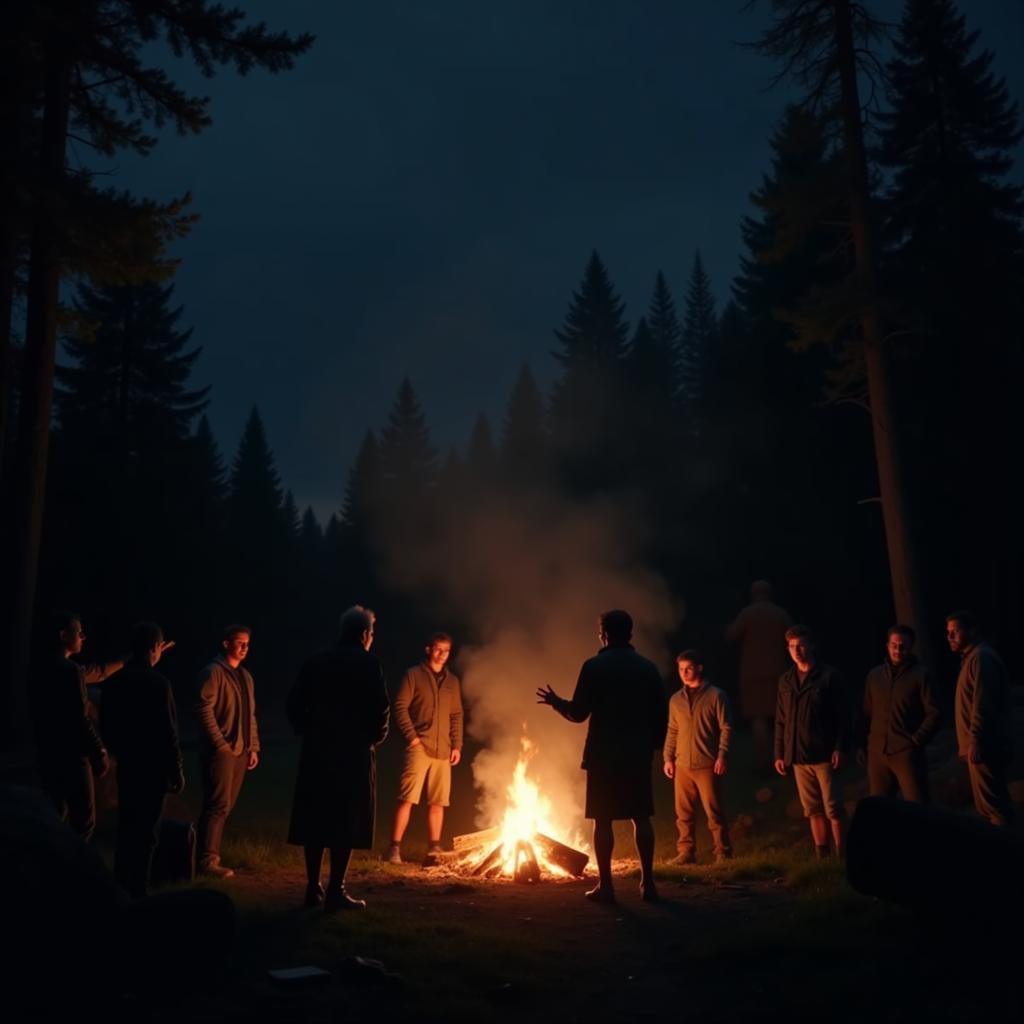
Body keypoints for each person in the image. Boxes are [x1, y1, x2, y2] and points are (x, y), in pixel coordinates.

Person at [537, 609, 668, 904]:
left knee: (603, 819)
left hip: (603, 754)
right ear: (630, 634)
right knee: (641, 816)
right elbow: (661, 714)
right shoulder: (647, 668)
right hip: (636, 753)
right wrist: (653, 746)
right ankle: (648, 884)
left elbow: (579, 713)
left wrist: (556, 702)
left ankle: (606, 887)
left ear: (604, 635)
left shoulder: (594, 666)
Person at [286, 606, 390, 911]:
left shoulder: (316, 661)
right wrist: (372, 738)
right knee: (346, 820)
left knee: (316, 817)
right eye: (371, 634)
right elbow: (381, 708)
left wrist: (306, 729)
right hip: (353, 754)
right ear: (363, 634)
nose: (372, 639)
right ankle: (335, 889)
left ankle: (312, 887)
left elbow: (294, 702)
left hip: (318, 752)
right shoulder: (370, 664)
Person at [100, 622, 183, 897]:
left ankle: (120, 885)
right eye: (159, 648)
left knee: (127, 828)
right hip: (153, 769)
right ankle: (138, 889)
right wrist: (177, 770)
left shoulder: (116, 682)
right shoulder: (158, 684)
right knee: (147, 833)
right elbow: (168, 731)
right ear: (155, 648)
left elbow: (107, 726)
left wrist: (120, 751)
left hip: (129, 766)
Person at [32, 610, 125, 840]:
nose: (83, 637)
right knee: (83, 820)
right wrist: (99, 751)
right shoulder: (69, 670)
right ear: (63, 635)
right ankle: (73, 869)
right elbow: (79, 717)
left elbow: (98, 672)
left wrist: (128, 661)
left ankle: (50, 865)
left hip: (47, 751)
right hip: (73, 755)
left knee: (55, 812)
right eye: (79, 632)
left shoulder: (43, 667)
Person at [387, 632, 463, 866]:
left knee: (438, 802)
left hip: (443, 749)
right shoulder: (413, 675)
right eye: (438, 649)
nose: (442, 654)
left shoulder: (452, 681)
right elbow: (399, 707)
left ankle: (434, 848)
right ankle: (394, 848)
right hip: (420, 746)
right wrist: (412, 738)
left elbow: (457, 714)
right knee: (407, 798)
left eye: (446, 650)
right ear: (428, 649)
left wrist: (457, 744)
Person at [774, 624, 848, 858]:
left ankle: (842, 855)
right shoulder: (786, 681)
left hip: (824, 753)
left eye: (801, 645)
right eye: (792, 646)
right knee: (812, 808)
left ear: (811, 646)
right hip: (798, 755)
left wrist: (840, 747)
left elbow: (843, 716)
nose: (797, 651)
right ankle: (821, 854)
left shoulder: (828, 677)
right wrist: (779, 753)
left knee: (833, 808)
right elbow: (780, 719)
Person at [194, 624, 260, 877]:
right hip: (221, 751)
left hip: (240, 751)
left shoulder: (245, 676)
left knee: (225, 805)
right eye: (239, 642)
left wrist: (253, 746)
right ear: (226, 643)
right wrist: (220, 744)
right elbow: (203, 708)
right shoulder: (213, 673)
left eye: (247, 643)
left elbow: (250, 714)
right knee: (217, 804)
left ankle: (206, 856)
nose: (244, 647)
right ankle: (206, 860)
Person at [663, 650, 733, 864]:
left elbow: (726, 727)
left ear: (699, 668)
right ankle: (686, 851)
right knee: (683, 813)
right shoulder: (676, 700)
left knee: (714, 811)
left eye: (689, 668)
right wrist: (668, 758)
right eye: (681, 669)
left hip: (707, 763)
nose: (684, 673)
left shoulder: (716, 696)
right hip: (682, 763)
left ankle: (722, 851)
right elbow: (672, 730)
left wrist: (721, 755)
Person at [856, 625, 940, 804]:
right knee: (881, 808)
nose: (897, 650)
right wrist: (862, 744)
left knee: (918, 806)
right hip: (877, 752)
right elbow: (866, 712)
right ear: (887, 645)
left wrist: (915, 740)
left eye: (903, 646)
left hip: (906, 753)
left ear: (910, 648)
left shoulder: (920, 675)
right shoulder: (875, 676)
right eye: (894, 645)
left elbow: (934, 713)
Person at [946, 610, 1014, 827]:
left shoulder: (981, 658)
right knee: (991, 803)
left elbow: (983, 703)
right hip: (980, 745)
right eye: (948, 632)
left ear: (972, 631)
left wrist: (975, 740)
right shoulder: (972, 658)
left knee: (993, 804)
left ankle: (1006, 851)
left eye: (955, 631)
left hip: (986, 746)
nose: (950, 637)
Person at [725, 580, 792, 776]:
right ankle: (785, 759)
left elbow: (731, 635)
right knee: (782, 717)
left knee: (759, 718)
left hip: (753, 674)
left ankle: (763, 763)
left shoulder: (748, 614)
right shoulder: (780, 613)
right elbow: (792, 634)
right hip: (778, 672)